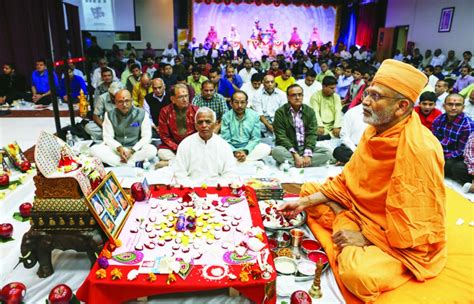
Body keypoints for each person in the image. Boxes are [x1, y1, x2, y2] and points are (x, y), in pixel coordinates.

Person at [278, 59, 446, 303]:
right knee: (309, 189)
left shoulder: (420, 150)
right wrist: (304, 202)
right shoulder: (374, 131)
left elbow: (417, 225)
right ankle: (341, 216)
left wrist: (363, 237)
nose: (365, 101)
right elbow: (348, 179)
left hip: (392, 236)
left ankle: (344, 221)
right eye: (367, 93)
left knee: (359, 275)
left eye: (375, 97)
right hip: (357, 211)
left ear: (401, 106)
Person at [90, 89, 157, 166]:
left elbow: (146, 137)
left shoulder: (142, 114)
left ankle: (120, 164)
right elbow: (108, 137)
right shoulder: (109, 115)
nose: (124, 104)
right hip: (117, 151)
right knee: (94, 149)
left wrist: (132, 150)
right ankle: (131, 164)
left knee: (152, 150)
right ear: (115, 103)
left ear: (131, 101)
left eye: (127, 101)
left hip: (135, 150)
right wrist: (119, 148)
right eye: (120, 102)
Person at [272, 84, 331, 167]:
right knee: (276, 151)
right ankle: (303, 162)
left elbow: (312, 133)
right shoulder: (280, 112)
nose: (297, 97)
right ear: (288, 97)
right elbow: (281, 136)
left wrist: (307, 153)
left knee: (328, 153)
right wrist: (295, 154)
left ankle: (294, 163)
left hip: (305, 146)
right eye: (293, 95)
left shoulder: (309, 111)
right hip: (288, 148)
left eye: (300, 94)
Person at [172, 107, 236, 182]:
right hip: (191, 186)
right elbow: (180, 173)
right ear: (195, 126)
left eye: (208, 122)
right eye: (200, 122)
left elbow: (229, 173)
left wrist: (217, 188)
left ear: (215, 124)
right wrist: (192, 189)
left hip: (217, 186)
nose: (204, 125)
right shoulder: (185, 144)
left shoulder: (224, 145)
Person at [432, 93, 474, 180]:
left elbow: (462, 151)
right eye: (450, 104)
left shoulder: (468, 125)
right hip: (439, 152)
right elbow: (433, 140)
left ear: (463, 107)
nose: (453, 108)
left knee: (449, 166)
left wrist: (443, 157)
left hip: (456, 156)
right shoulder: (439, 119)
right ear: (444, 106)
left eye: (457, 105)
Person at [221, 91, 271, 163]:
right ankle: (244, 160)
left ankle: (238, 161)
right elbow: (225, 140)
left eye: (242, 102)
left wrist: (245, 151)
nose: (240, 105)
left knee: (265, 148)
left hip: (249, 149)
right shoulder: (226, 116)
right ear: (231, 103)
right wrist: (235, 152)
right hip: (231, 149)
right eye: (236, 102)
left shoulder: (254, 115)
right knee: (219, 147)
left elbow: (255, 138)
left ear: (247, 103)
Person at [157, 84, 199, 165]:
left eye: (186, 96)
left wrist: (189, 148)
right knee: (162, 152)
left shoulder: (196, 111)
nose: (185, 99)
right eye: (181, 97)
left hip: (192, 147)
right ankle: (184, 162)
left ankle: (172, 163)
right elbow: (164, 136)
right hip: (173, 148)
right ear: (173, 99)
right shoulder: (165, 111)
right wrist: (178, 148)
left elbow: (199, 134)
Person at [252, 75, 287, 140]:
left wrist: (275, 125)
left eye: (272, 82)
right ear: (263, 83)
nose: (270, 84)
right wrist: (269, 126)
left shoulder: (282, 94)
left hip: (278, 121)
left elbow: (283, 112)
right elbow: (259, 114)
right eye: (267, 82)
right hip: (262, 122)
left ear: (275, 83)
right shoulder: (257, 95)